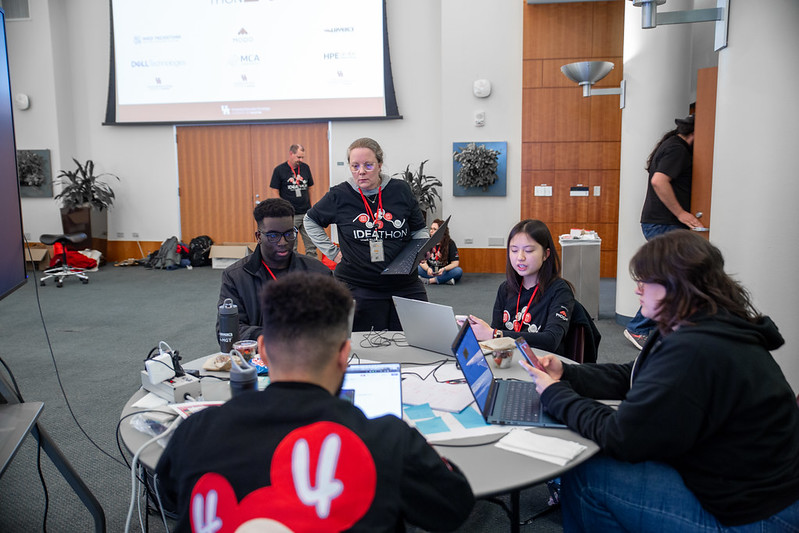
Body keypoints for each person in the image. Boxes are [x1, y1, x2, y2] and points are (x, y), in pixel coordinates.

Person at [521, 230, 799, 532]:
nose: (637, 289)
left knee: (586, 474)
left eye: (645, 282)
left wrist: (555, 394)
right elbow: (634, 375)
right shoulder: (706, 325)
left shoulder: (696, 350)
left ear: (676, 286)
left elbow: (620, 436)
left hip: (756, 515)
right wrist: (567, 373)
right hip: (755, 489)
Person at [157, 272, 475, 532]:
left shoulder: (196, 431)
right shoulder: (389, 441)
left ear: (262, 351)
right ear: (344, 354)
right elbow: (454, 507)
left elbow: (168, 495)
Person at [304, 137, 429, 331]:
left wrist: (422, 247)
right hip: (358, 286)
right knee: (364, 344)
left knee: (418, 338)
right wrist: (333, 253)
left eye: (368, 165)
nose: (361, 171)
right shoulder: (340, 195)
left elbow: (419, 229)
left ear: (379, 164)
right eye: (355, 166)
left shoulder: (400, 190)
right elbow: (310, 220)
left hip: (404, 285)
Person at [624, 114, 704, 350]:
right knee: (671, 279)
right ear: (695, 134)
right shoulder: (678, 149)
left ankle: (660, 327)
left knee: (673, 277)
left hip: (660, 222)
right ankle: (638, 327)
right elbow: (659, 181)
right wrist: (681, 213)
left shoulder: (671, 145)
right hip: (664, 223)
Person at [216, 198, 330, 341]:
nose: (283, 242)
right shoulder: (236, 276)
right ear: (258, 237)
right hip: (259, 351)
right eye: (273, 235)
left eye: (289, 234)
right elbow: (227, 330)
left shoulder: (318, 272)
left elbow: (334, 320)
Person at [464, 219, 574, 355]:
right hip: (510, 361)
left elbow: (551, 341)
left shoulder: (559, 290)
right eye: (514, 250)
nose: (520, 257)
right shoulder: (505, 289)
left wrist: (495, 334)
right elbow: (495, 335)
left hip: (543, 363)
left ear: (546, 254)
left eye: (528, 250)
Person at [270, 144, 317, 257]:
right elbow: (274, 190)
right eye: (298, 157)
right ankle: (294, 266)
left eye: (302, 157)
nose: (301, 160)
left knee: (311, 244)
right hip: (290, 215)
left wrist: (312, 206)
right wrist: (282, 208)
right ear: (291, 154)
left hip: (306, 213)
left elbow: (310, 187)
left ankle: (312, 266)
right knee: (291, 245)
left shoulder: (305, 168)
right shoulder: (279, 170)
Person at [418, 218, 463, 285]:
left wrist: (444, 269)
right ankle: (445, 280)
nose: (431, 231)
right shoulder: (426, 242)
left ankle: (431, 280)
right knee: (417, 268)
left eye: (434, 229)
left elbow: (455, 263)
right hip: (431, 270)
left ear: (441, 231)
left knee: (458, 271)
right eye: (431, 228)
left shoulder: (450, 243)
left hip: (444, 271)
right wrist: (427, 269)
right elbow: (421, 261)